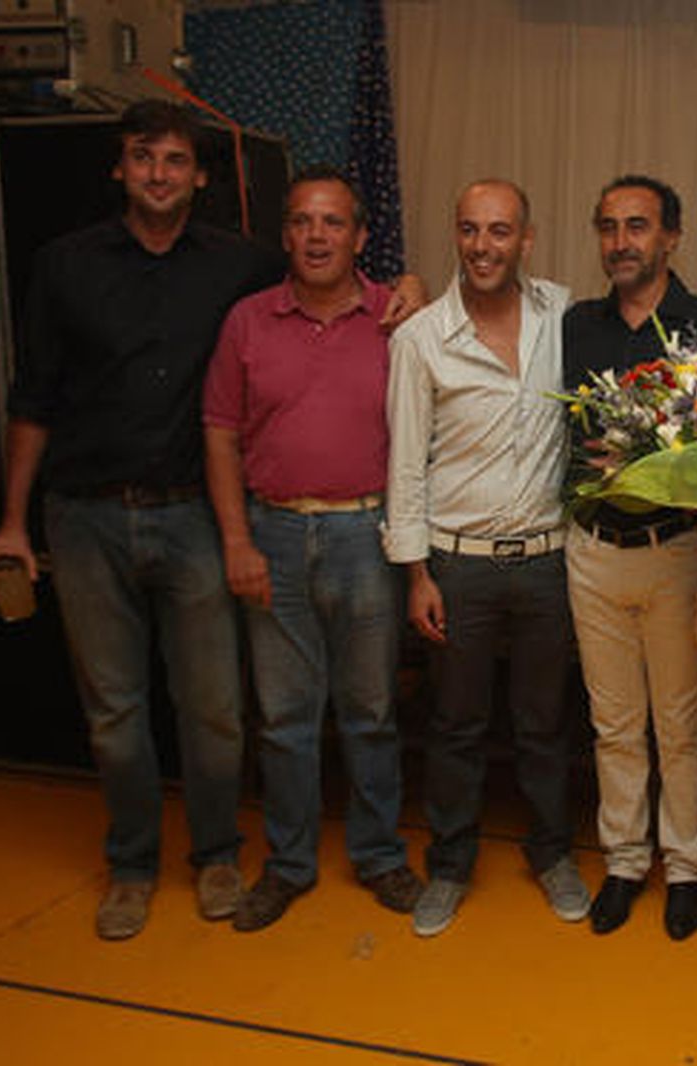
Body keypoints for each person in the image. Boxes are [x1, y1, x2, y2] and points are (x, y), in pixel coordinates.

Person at [0, 102, 309, 940]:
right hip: (84, 520)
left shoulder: (244, 265)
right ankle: (130, 865)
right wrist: (12, 523)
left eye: (174, 160)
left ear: (201, 176)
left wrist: (403, 291)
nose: (158, 174)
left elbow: (327, 283)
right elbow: (33, 399)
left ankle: (217, 854)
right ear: (118, 170)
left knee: (214, 709)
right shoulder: (63, 266)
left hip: (197, 517)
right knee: (114, 712)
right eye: (141, 158)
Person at [202, 167, 422, 931]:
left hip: (368, 535)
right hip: (274, 536)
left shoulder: (397, 321)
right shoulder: (247, 323)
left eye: (333, 222)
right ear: (285, 234)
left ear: (360, 237)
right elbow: (221, 435)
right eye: (302, 221)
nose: (317, 236)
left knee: (370, 710)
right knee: (286, 718)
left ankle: (380, 856)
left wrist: (416, 288)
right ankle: (289, 865)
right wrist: (236, 539)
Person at [384, 179, 585, 937]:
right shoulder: (420, 339)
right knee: (456, 725)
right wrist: (416, 575)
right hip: (457, 565)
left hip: (546, 560)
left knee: (543, 722)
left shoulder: (564, 317)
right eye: (469, 230)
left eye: (499, 232)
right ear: (455, 235)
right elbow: (405, 464)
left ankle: (553, 854)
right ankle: (451, 865)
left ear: (526, 240)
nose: (482, 246)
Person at [563, 175, 697, 940]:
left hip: (677, 552)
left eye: (637, 226)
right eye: (608, 227)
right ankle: (626, 859)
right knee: (615, 726)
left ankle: (687, 865)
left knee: (682, 726)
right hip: (593, 551)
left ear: (672, 237)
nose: (620, 241)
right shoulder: (575, 326)